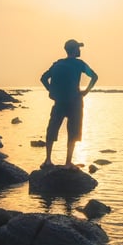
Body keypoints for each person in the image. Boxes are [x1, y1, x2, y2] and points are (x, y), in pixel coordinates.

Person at [40, 38, 98, 167]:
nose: (79, 50)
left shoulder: (57, 64)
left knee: (52, 129)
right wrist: (85, 92)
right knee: (73, 131)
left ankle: (48, 160)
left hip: (59, 101)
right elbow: (94, 76)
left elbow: (43, 78)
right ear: (74, 50)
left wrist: (51, 91)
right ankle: (68, 162)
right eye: (78, 48)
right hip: (75, 102)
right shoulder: (80, 64)